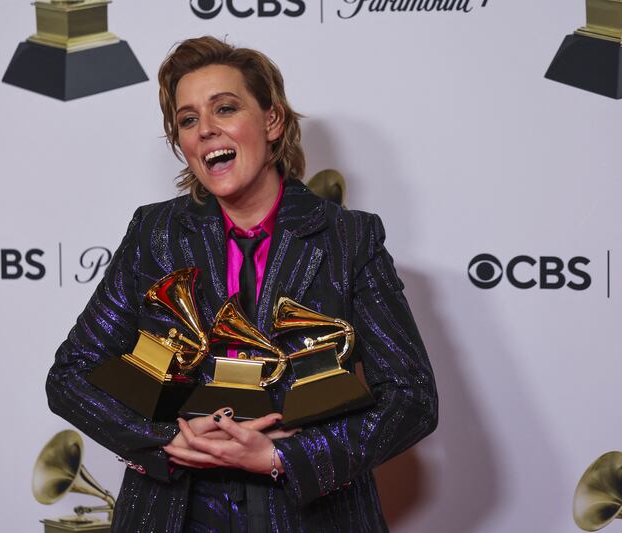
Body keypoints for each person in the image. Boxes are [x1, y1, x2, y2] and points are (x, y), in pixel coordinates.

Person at [46, 36, 438, 533]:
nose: (206, 129)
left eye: (225, 108)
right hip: (172, 513)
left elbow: (411, 399)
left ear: (272, 121)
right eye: (188, 120)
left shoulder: (349, 239)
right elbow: (70, 375)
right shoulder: (154, 233)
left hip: (312, 517)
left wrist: (284, 457)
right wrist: (164, 440)